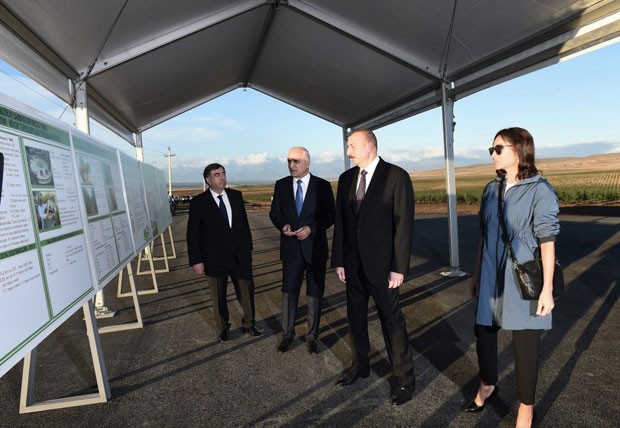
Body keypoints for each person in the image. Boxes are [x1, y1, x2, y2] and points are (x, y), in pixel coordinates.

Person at [462, 128, 559, 428]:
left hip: (522, 275)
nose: (493, 154)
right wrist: (477, 274)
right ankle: (487, 385)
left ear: (519, 151)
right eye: (491, 149)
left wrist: (547, 289)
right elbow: (483, 235)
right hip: (490, 271)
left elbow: (547, 241)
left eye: (498, 149)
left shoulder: (539, 190)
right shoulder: (491, 189)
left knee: (525, 344)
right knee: (483, 332)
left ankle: (526, 408)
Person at [331, 128, 415, 406]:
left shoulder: (396, 176)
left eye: (352, 146)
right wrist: (339, 260)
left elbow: (403, 224)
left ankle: (404, 380)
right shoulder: (346, 179)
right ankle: (360, 366)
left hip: (383, 267)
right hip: (353, 265)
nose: (348, 152)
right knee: (355, 319)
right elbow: (342, 223)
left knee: (392, 323)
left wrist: (398, 267)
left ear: (369, 145)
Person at [187, 163, 264, 342]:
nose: (222, 177)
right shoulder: (199, 202)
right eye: (217, 175)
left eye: (223, 173)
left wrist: (248, 249)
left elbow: (243, 225)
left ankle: (249, 324)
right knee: (218, 296)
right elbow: (192, 234)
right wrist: (196, 260)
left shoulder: (236, 196)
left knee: (246, 292)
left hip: (240, 256)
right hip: (214, 259)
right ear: (208, 180)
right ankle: (223, 328)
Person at [269, 147, 335, 354]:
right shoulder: (281, 185)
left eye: (296, 161)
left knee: (314, 294)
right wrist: (283, 225)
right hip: (291, 250)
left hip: (315, 249)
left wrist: (311, 229)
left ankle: (312, 336)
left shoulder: (322, 186)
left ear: (307, 163)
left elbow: (330, 215)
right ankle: (287, 335)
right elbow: (275, 212)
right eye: (289, 161)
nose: (291, 165)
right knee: (289, 293)